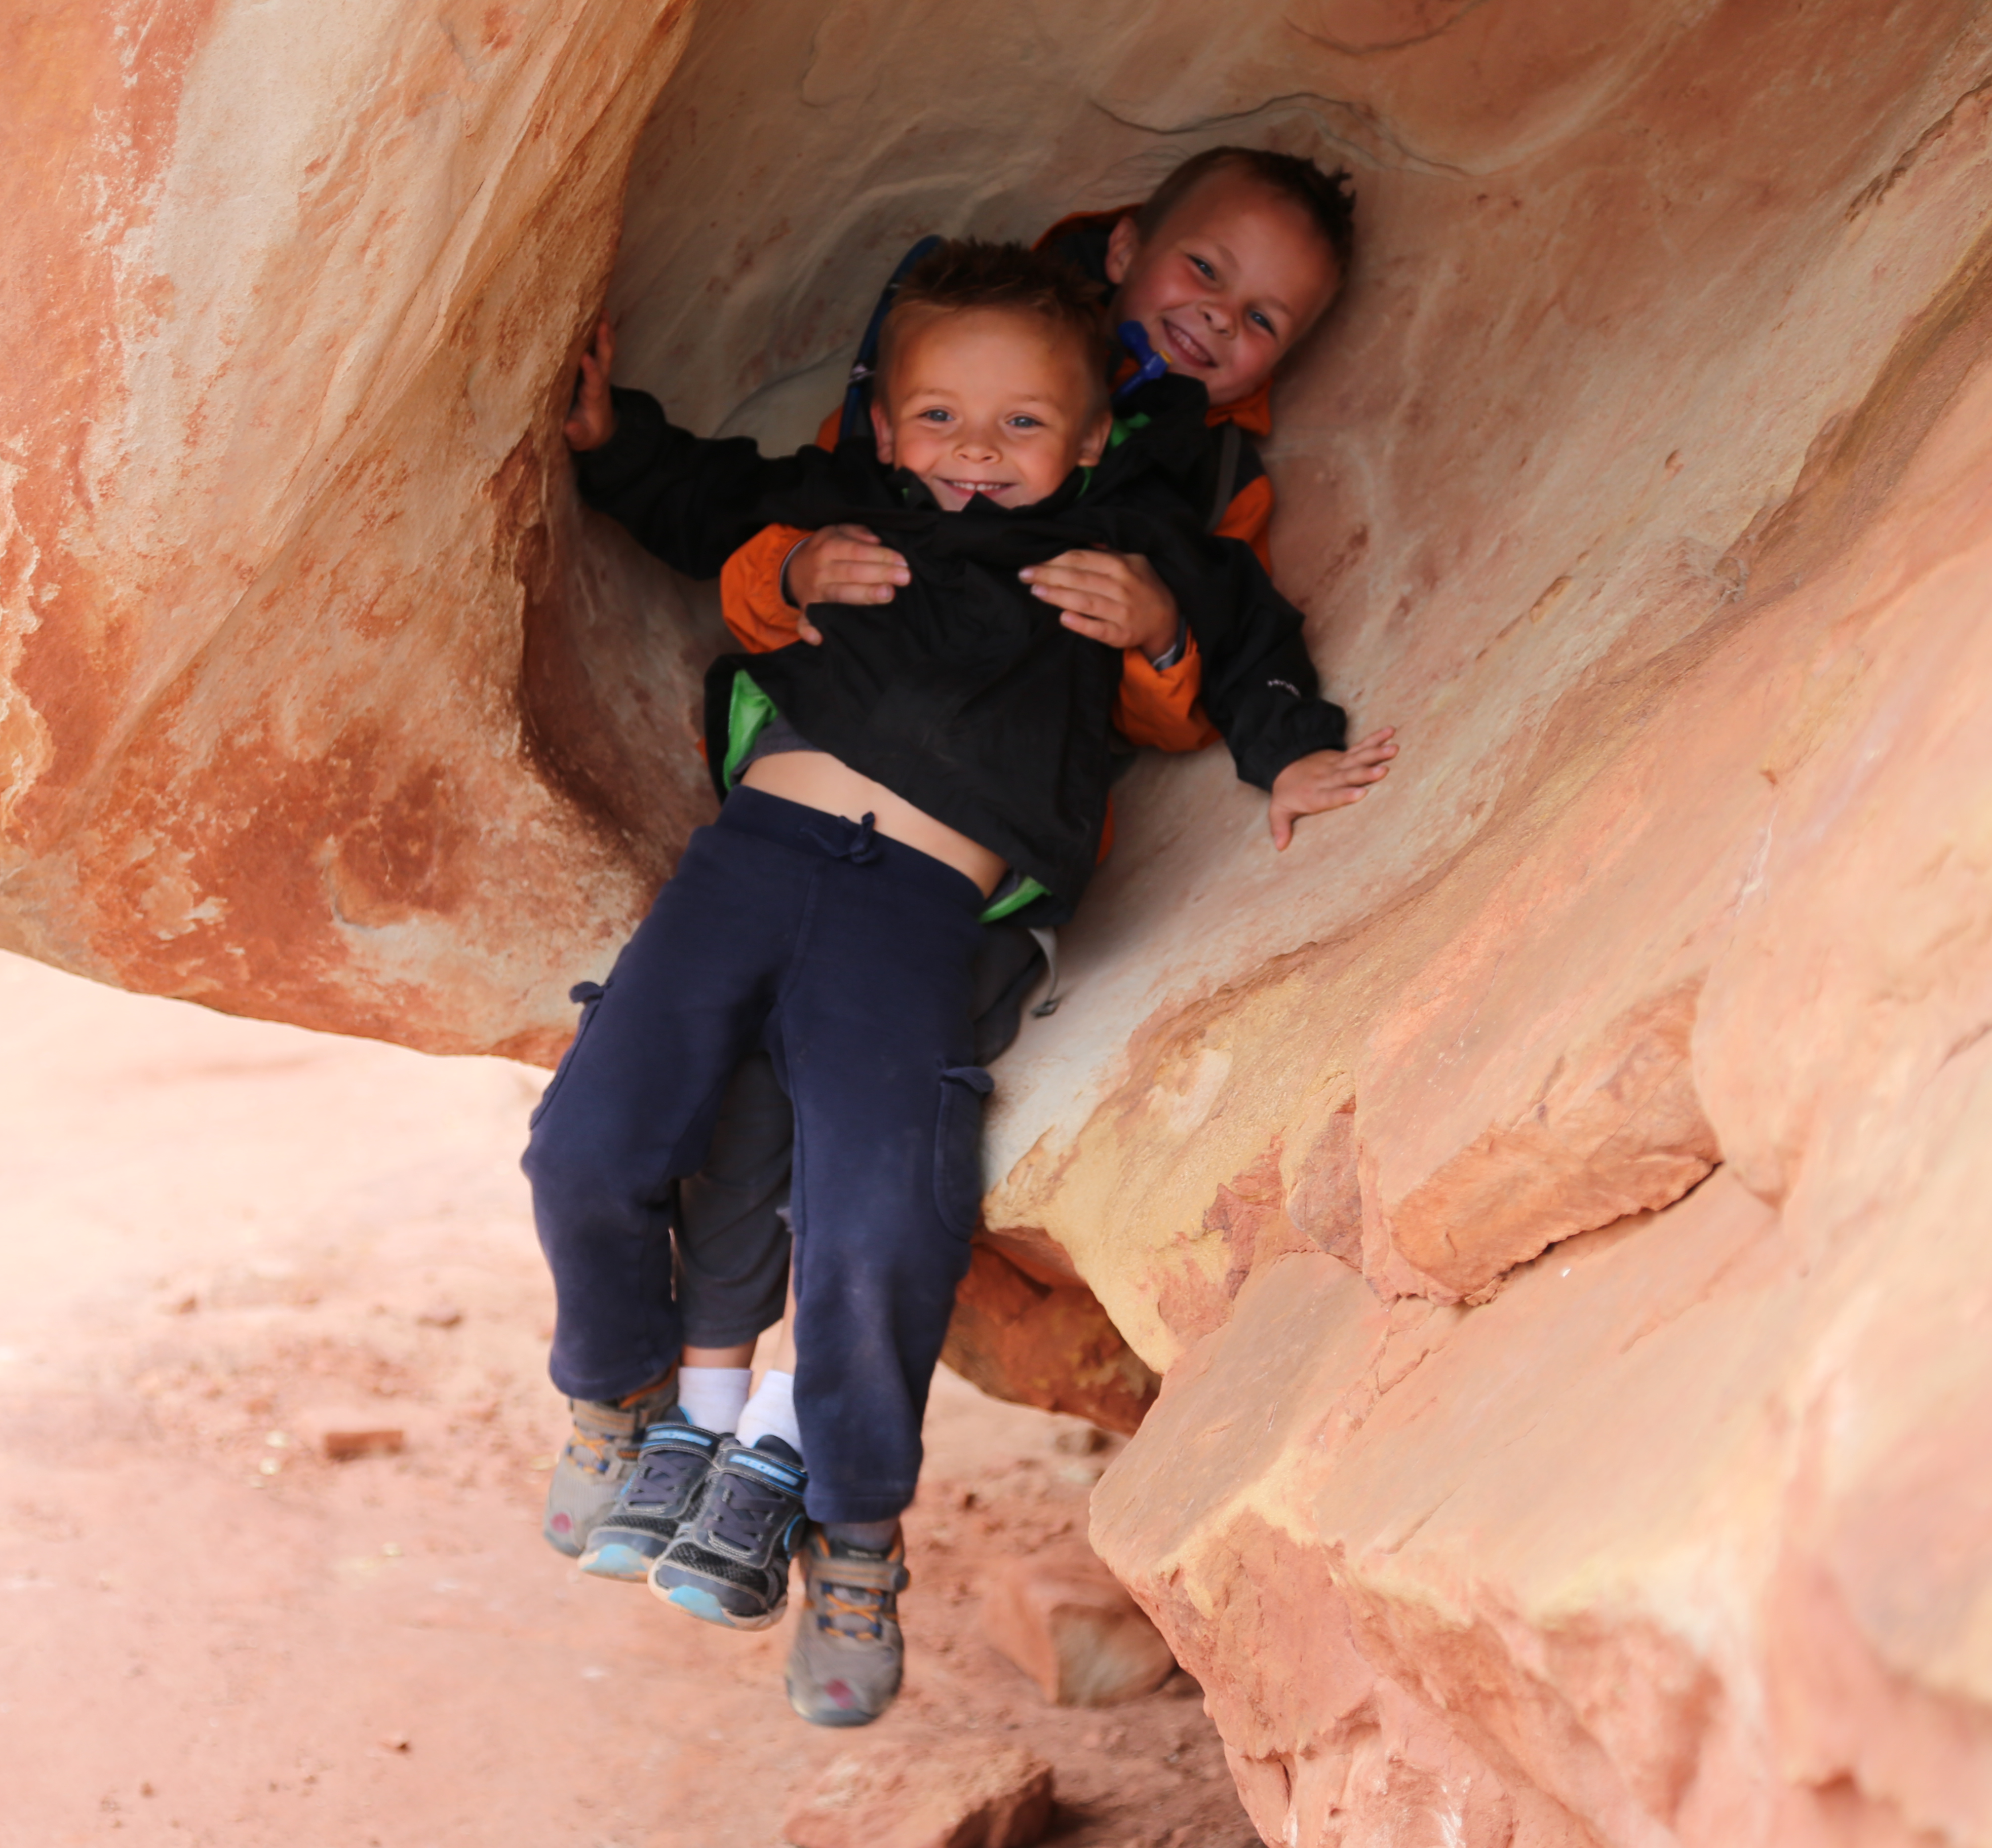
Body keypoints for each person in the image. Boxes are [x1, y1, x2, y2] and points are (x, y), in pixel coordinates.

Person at [526, 239, 1385, 1726]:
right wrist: (690, 496)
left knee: (877, 1229)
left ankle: (853, 1544)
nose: (976, 454)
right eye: (939, 418)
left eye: (1021, 426)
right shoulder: (839, 511)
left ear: (1094, 437)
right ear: (881, 419)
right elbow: (701, 496)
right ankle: (616, 1399)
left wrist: (1220, 680)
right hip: (747, 866)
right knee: (590, 1143)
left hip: (920, 914)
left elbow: (1246, 633)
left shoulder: (1121, 549)